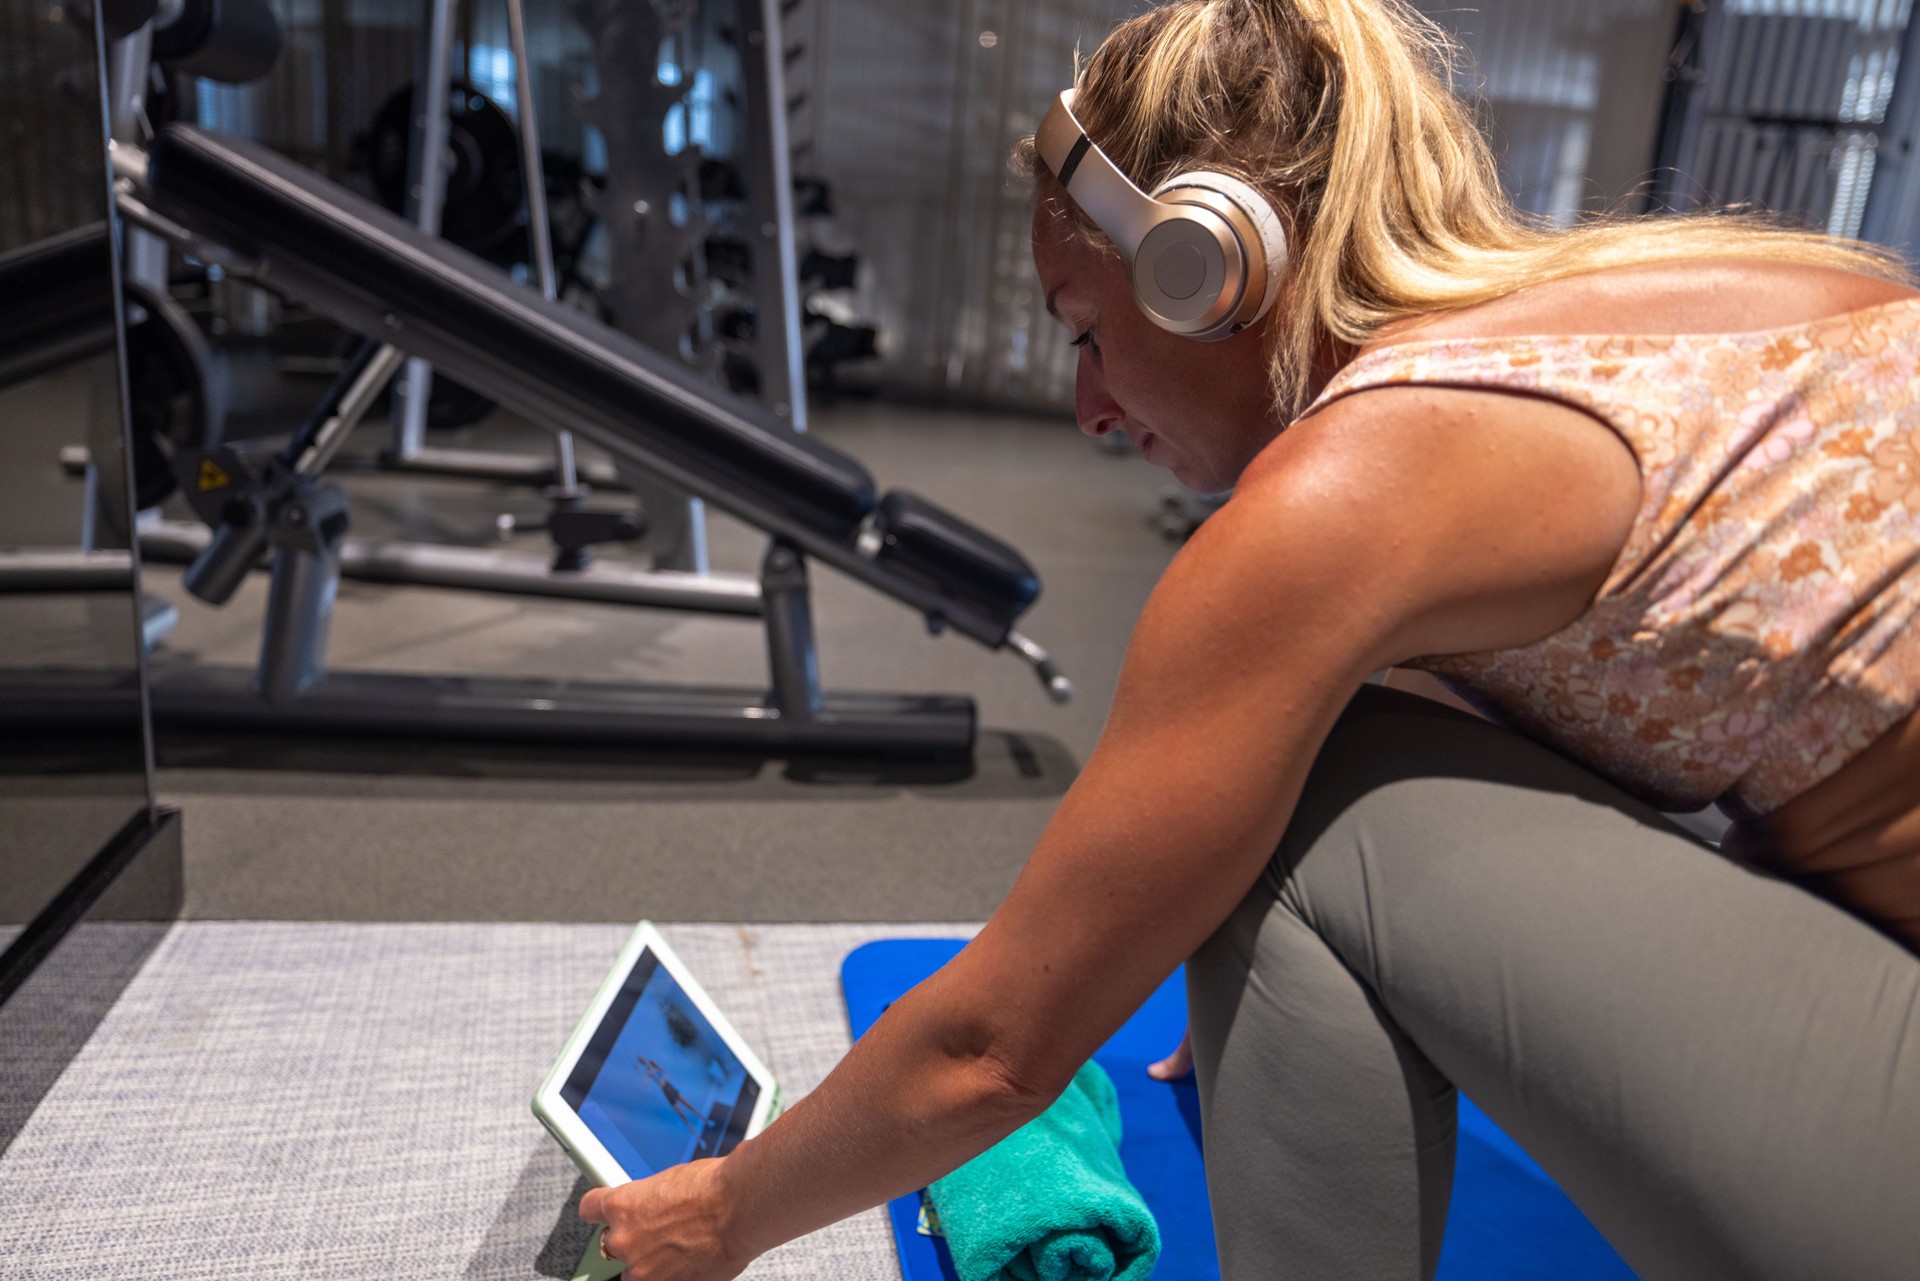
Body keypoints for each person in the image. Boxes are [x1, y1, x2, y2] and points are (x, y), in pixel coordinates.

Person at [579, 2, 1920, 1277]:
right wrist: (1297, 1000)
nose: (1090, 405)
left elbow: (991, 1051)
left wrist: (721, 1212)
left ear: (1206, 265)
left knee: (1304, 817)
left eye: (1091, 332)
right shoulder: (1737, 282)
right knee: (1315, 758)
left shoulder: (1347, 494)